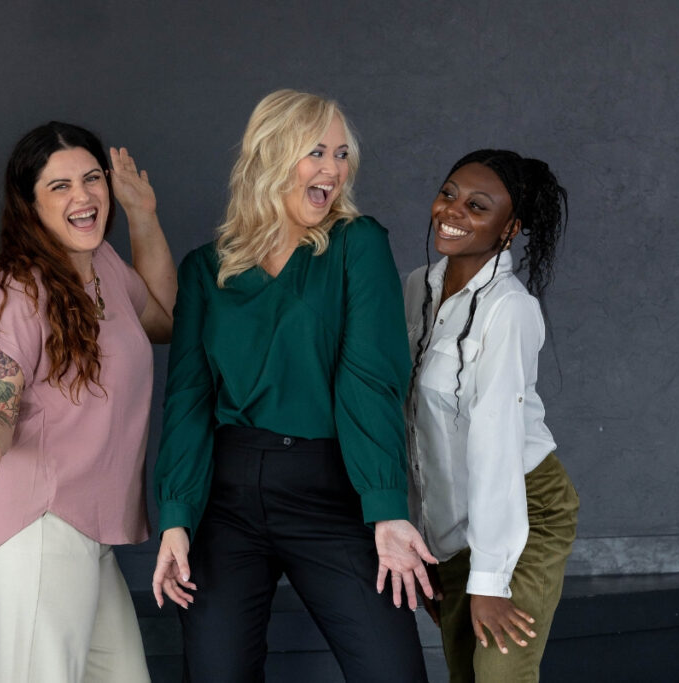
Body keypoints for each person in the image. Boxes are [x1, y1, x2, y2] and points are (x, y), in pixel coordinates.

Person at [151, 89, 435, 682]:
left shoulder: (357, 246)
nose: (333, 169)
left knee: (393, 673)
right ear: (271, 157)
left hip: (330, 489)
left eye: (341, 154)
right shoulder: (207, 268)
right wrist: (176, 516)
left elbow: (371, 378)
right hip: (226, 500)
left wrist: (385, 507)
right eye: (316, 152)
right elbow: (188, 401)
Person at [0, 121, 176, 682]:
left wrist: (143, 215)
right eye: (60, 186)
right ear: (29, 204)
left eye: (92, 179)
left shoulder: (104, 267)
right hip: (34, 526)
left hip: (83, 527)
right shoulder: (17, 290)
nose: (83, 196)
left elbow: (165, 318)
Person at [404, 149, 579, 682]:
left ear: (510, 230)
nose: (452, 211)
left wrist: (489, 580)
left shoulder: (510, 308)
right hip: (454, 520)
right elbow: (413, 426)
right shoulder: (418, 287)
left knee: (501, 675)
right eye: (449, 194)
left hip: (524, 509)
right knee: (465, 674)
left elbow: (495, 441)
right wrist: (425, 542)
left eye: (478, 206)